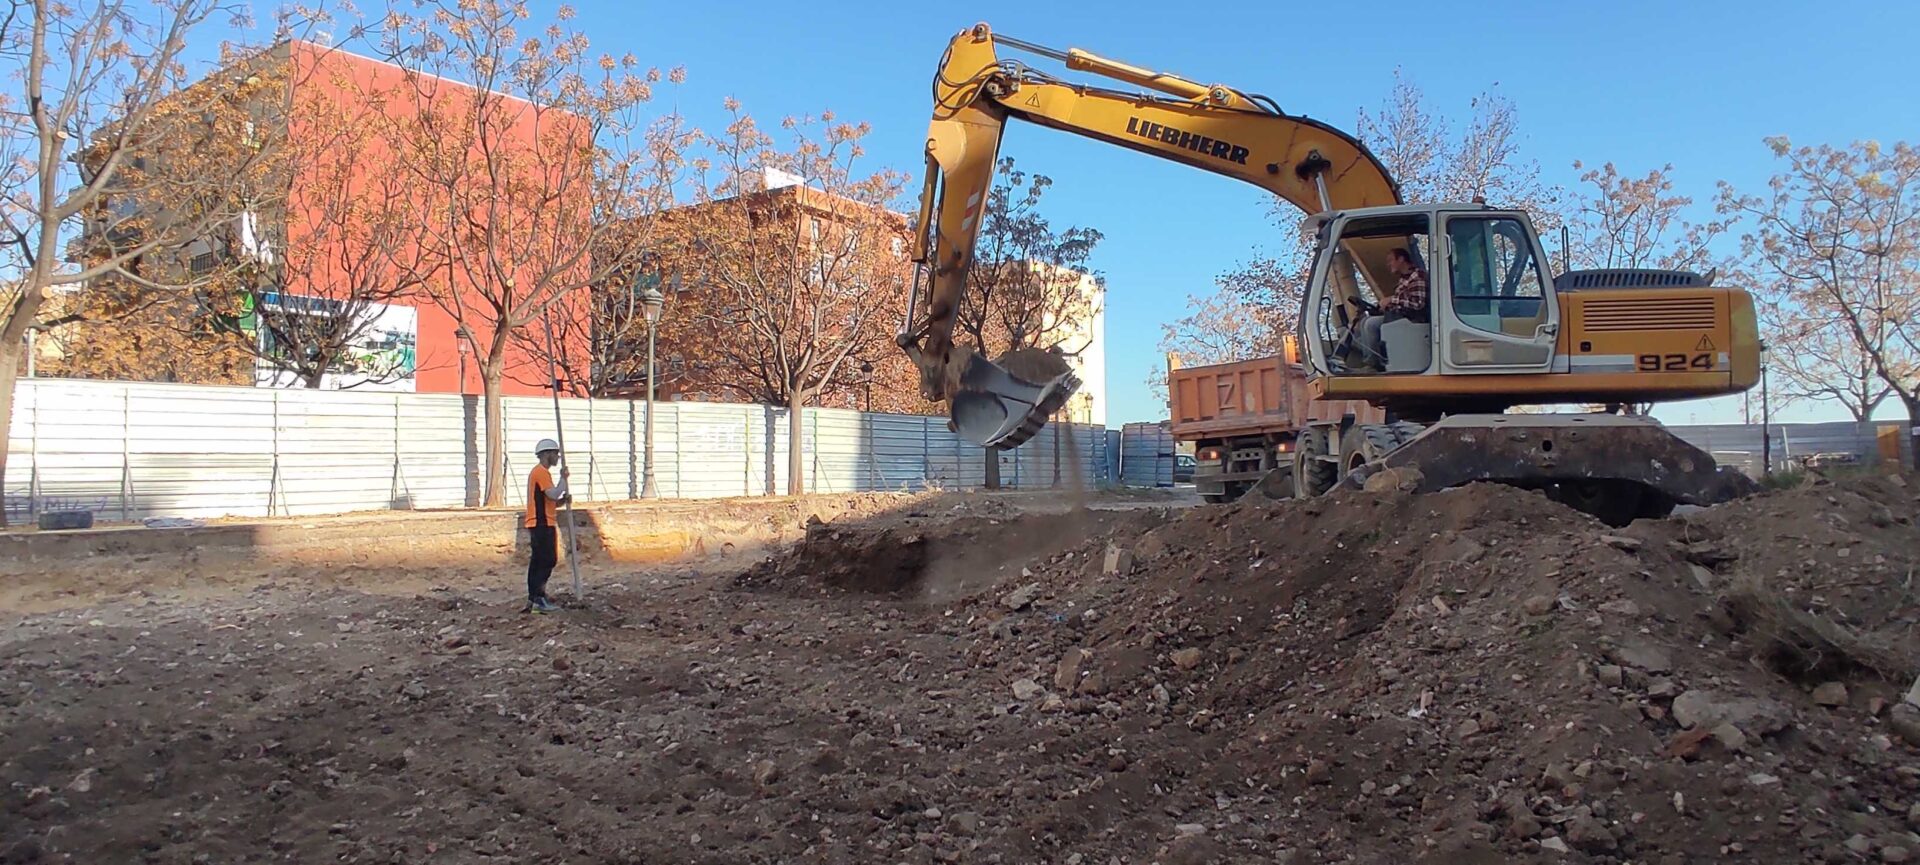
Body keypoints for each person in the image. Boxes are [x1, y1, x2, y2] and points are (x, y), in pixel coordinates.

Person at [1355, 247, 1430, 371]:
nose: (1388, 264)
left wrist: (1391, 300)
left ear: (1401, 259)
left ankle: (1373, 364)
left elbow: (1418, 304)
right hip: (1399, 316)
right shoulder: (1404, 278)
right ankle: (1372, 358)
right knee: (1363, 322)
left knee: (1371, 324)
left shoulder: (1417, 276)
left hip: (1413, 319)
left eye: (1391, 260)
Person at [523, 438, 571, 613]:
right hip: (541, 523)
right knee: (547, 559)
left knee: (538, 561)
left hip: (541, 521)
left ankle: (535, 597)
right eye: (555, 454)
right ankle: (538, 599)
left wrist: (562, 501)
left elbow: (549, 501)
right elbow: (553, 494)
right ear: (547, 454)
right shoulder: (541, 472)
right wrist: (563, 479)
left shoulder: (541, 473)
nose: (557, 457)